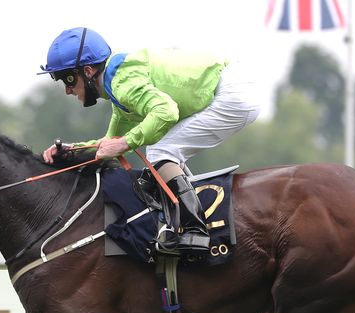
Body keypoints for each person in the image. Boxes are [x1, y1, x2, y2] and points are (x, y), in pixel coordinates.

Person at [39, 27, 261, 255]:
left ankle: (195, 231)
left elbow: (166, 112)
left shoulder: (123, 84)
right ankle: (195, 219)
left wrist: (125, 143)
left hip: (233, 93)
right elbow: (110, 143)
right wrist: (71, 151)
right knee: (162, 148)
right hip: (232, 86)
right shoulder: (118, 86)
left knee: (161, 150)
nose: (66, 90)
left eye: (67, 78)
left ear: (88, 70)